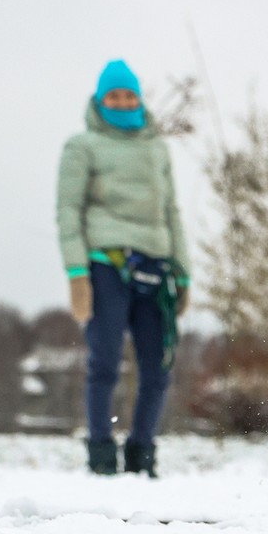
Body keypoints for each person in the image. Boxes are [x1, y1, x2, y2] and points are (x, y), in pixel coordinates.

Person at [56, 60, 191, 477]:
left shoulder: (156, 147)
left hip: (156, 266)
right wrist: (77, 274)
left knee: (159, 365)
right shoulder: (82, 146)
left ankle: (141, 451)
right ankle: (100, 453)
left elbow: (171, 210)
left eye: (128, 94)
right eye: (113, 95)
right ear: (100, 100)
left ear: (138, 98)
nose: (121, 101)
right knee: (105, 362)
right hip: (105, 265)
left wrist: (182, 271)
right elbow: (68, 210)